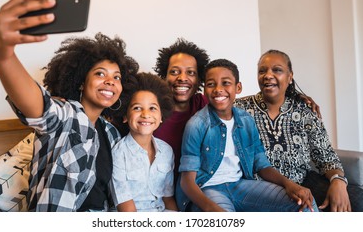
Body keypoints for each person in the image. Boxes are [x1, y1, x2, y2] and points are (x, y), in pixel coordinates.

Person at [0, 0, 139, 211]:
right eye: (100, 74)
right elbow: (39, 106)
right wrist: (3, 55)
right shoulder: (66, 115)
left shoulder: (111, 133)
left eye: (116, 77)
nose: (110, 82)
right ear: (80, 82)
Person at [176, 59, 318, 212]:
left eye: (226, 83)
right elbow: (187, 182)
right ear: (204, 90)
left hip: (240, 186)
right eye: (211, 84)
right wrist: (213, 209)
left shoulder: (246, 120)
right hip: (208, 189)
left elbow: (261, 164)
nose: (218, 89)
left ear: (238, 87)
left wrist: (289, 184)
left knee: (304, 202)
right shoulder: (197, 124)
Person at [235, 49, 363, 212]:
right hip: (260, 186)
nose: (268, 75)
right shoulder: (240, 109)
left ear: (290, 77)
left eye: (277, 70)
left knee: (358, 201)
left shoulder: (305, 110)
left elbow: (326, 157)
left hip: (304, 181)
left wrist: (338, 181)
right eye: (262, 71)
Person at [109, 72, 177, 212]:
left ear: (161, 115)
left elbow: (168, 199)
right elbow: (126, 209)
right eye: (137, 108)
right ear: (125, 116)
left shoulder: (167, 151)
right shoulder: (118, 154)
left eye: (152, 108)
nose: (146, 114)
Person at [153, 39, 210, 180]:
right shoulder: (152, 109)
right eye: (174, 71)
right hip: (158, 190)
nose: (182, 78)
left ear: (199, 79)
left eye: (190, 73)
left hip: (196, 186)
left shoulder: (204, 104)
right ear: (164, 76)